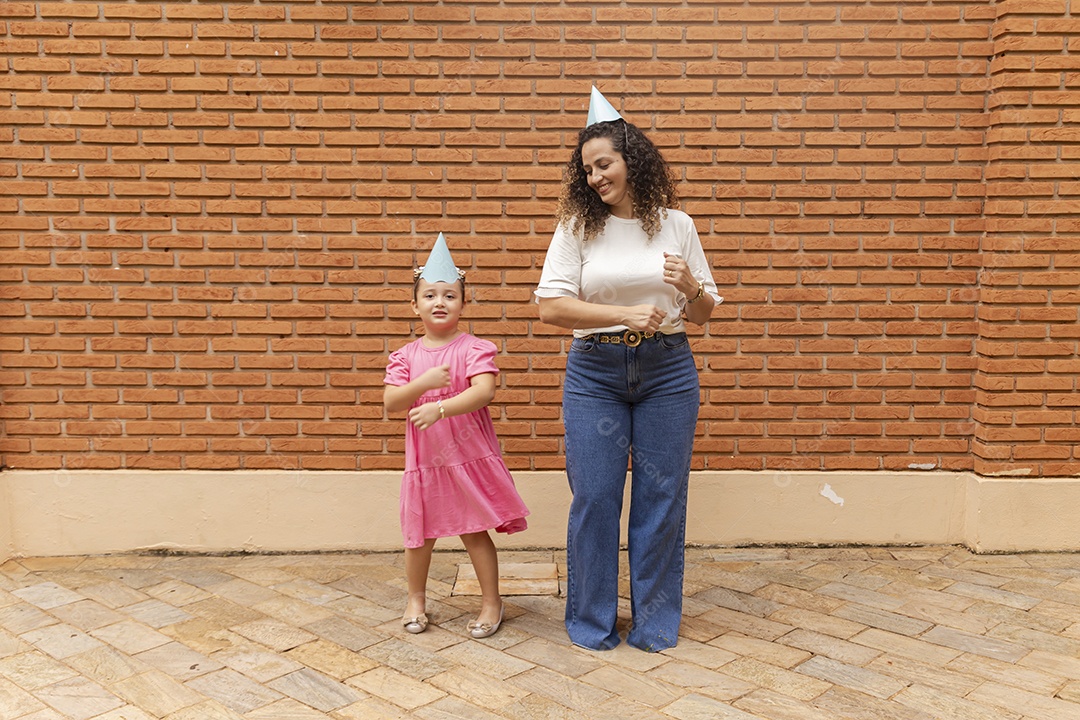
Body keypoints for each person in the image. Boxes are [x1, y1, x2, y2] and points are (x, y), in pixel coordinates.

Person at [535, 87, 721, 652]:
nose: (594, 177)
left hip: (668, 370)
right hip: (596, 373)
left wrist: (691, 288)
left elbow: (708, 311)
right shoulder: (577, 228)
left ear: (630, 160)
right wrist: (621, 312)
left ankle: (655, 625)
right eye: (586, 169)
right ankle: (591, 623)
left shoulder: (677, 224)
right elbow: (550, 308)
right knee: (595, 497)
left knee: (662, 498)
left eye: (604, 163)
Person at [384, 233, 529, 639]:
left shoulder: (473, 348)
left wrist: (441, 406)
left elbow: (484, 390)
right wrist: (424, 384)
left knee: (473, 529)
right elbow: (392, 401)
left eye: (450, 295)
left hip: (465, 456)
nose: (440, 302)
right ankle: (415, 599)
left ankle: (490, 603)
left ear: (463, 303)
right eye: (430, 295)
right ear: (415, 305)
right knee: (420, 536)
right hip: (426, 462)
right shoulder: (406, 356)